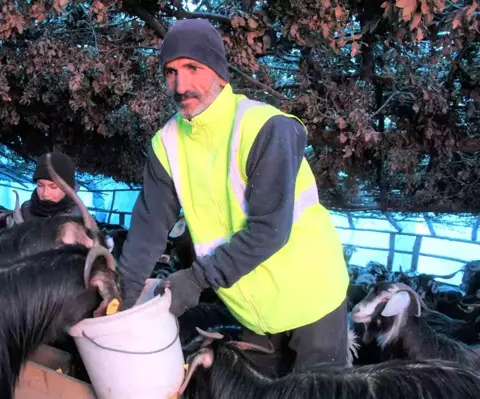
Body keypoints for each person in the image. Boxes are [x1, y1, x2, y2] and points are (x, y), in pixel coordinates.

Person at [116, 18, 350, 375]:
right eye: (171, 72)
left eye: (193, 68)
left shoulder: (265, 128)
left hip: (311, 299)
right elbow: (148, 229)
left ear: (220, 73)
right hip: (253, 310)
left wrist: (194, 280)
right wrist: (120, 300)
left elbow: (269, 230)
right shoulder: (166, 145)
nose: (181, 85)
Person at [18, 151, 81, 221]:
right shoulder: (26, 209)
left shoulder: (78, 217)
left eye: (53, 187)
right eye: (40, 185)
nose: (45, 194)